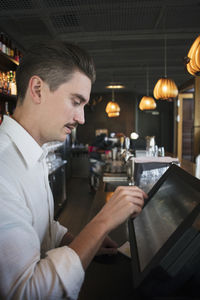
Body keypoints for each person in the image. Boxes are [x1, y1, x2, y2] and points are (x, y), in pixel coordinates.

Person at [0, 41, 147, 300]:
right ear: (37, 89)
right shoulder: (3, 167)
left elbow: (39, 226)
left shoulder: (34, 153)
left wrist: (76, 240)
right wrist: (101, 224)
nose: (81, 118)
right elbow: (27, 293)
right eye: (76, 101)